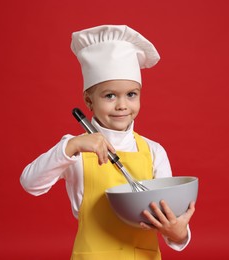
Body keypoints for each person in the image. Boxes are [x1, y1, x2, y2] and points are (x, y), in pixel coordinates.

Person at [20, 24, 196, 260]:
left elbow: (167, 214)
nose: (122, 105)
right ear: (89, 101)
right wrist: (71, 146)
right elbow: (30, 183)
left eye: (131, 94)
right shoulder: (75, 150)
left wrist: (178, 233)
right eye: (110, 95)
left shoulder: (154, 151)